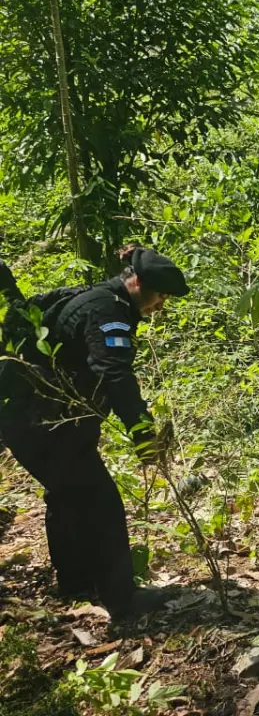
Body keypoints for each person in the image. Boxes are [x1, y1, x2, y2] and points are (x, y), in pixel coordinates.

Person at [0, 247, 188, 620]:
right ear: (135, 281)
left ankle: (75, 584)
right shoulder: (108, 313)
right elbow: (114, 374)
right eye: (158, 295)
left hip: (30, 416)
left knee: (69, 492)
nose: (160, 305)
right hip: (40, 421)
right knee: (100, 502)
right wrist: (142, 433)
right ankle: (122, 599)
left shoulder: (94, 297)